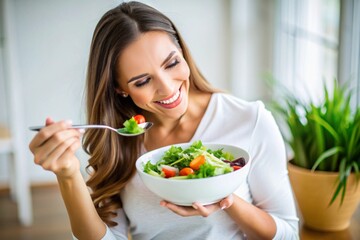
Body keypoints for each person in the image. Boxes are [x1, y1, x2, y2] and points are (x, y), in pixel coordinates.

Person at [29, 1, 299, 239]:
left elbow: (288, 233)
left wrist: (226, 201)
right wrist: (67, 175)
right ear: (119, 88)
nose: (168, 88)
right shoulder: (116, 139)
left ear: (182, 50)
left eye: (171, 63)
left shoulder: (249, 120)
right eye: (143, 81)